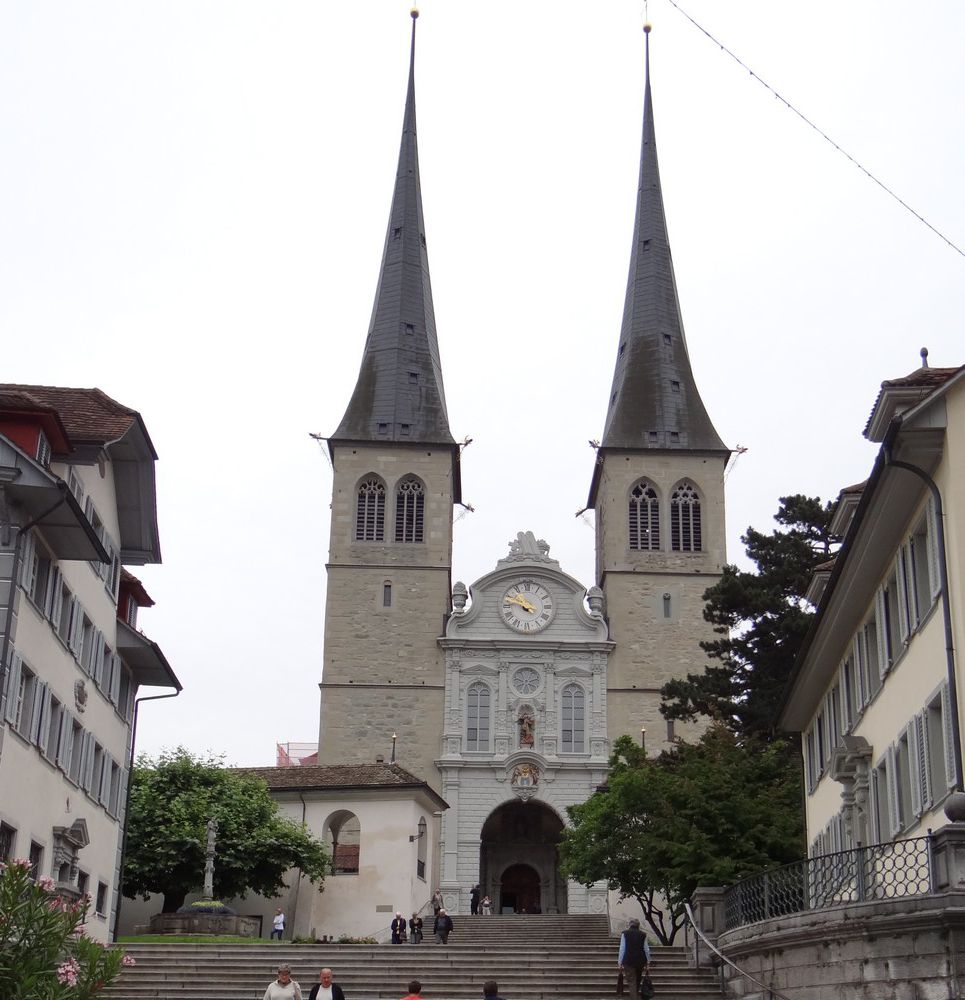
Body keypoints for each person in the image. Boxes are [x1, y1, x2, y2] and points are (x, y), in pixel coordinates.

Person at [618, 917, 652, 1000]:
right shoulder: (643, 934)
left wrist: (619, 962)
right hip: (640, 961)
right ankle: (635, 996)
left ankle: (634, 998)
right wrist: (648, 962)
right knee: (637, 980)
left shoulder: (625, 933)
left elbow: (622, 948)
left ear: (630, 925)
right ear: (638, 926)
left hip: (628, 960)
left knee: (632, 982)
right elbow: (646, 949)